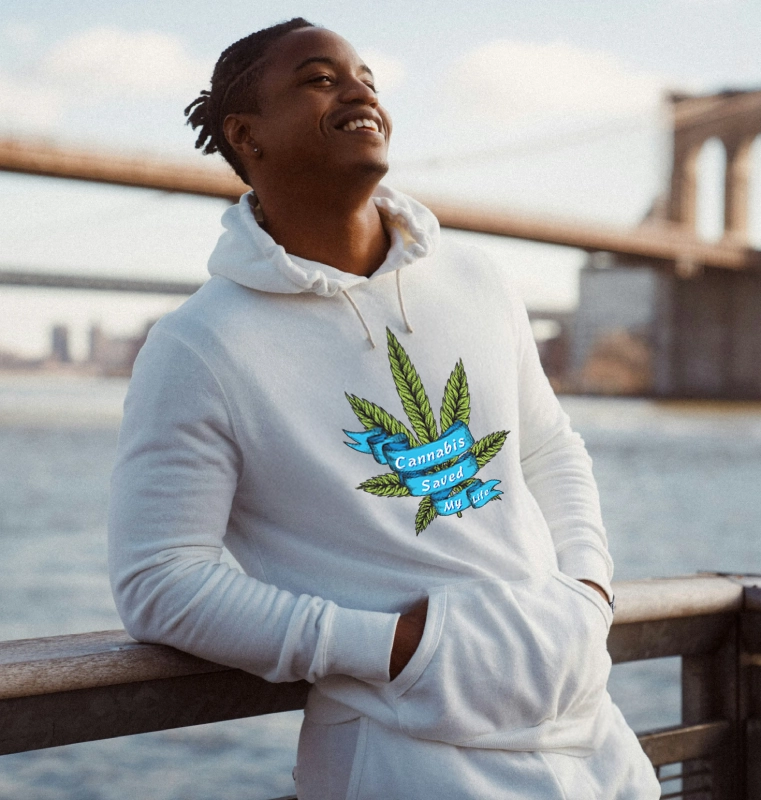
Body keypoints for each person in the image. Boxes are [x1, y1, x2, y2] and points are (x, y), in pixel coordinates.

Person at [108, 17, 660, 799]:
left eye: (365, 74)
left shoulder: (477, 278)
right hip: (403, 747)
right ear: (246, 135)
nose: (359, 89)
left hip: (588, 729)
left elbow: (546, 450)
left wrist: (586, 594)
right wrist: (400, 648)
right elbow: (162, 581)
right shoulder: (200, 345)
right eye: (318, 78)